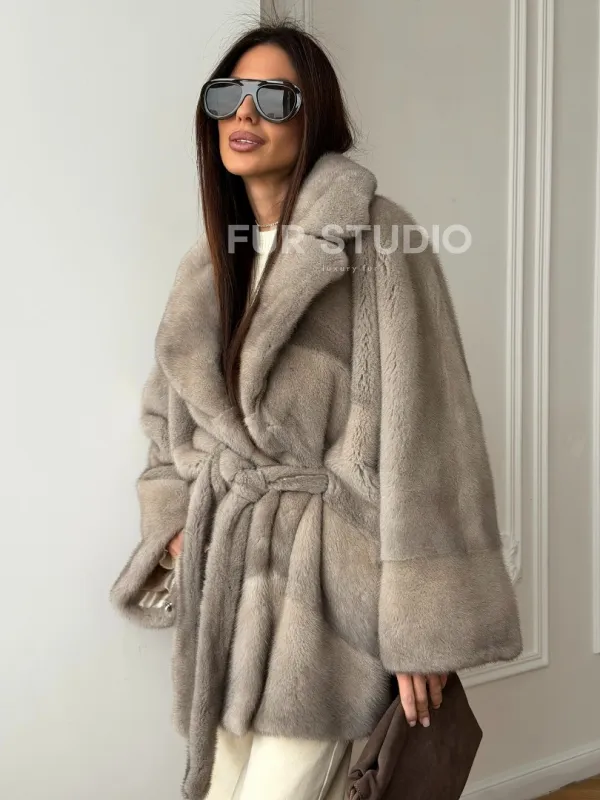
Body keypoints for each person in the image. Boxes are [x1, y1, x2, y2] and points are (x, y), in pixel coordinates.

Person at [109, 17, 523, 800]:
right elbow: (168, 419)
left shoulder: (381, 240)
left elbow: (432, 438)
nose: (245, 113)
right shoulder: (209, 261)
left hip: (331, 606)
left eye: (273, 96)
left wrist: (423, 630)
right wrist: (175, 528)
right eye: (229, 94)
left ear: (314, 116)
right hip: (227, 600)